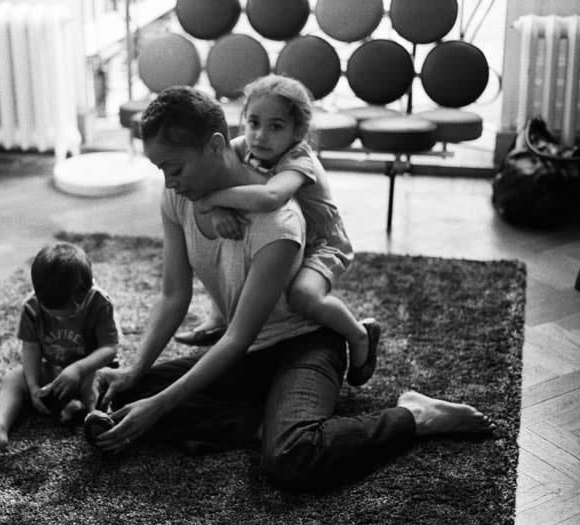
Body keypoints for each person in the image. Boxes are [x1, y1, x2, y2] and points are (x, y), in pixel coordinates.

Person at [87, 86, 495, 490]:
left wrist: (159, 407)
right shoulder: (179, 196)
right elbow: (173, 295)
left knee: (290, 458)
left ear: (215, 146)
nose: (169, 181)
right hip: (248, 353)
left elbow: (236, 338)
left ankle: (413, 416)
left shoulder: (278, 222)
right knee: (121, 397)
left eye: (175, 168)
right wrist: (135, 370)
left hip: (305, 343)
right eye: (162, 169)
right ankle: (264, 422)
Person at [173, 74, 378, 387]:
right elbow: (215, 172)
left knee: (302, 296)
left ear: (298, 131)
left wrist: (210, 199)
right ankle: (220, 319)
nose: (260, 135)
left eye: (276, 127)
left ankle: (359, 333)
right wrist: (215, 210)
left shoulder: (300, 159)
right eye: (254, 123)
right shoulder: (243, 146)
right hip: (285, 238)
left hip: (321, 244)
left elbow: (272, 197)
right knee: (230, 254)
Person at [0, 242, 119, 449]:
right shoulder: (32, 308)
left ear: (85, 295)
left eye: (68, 315)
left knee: (97, 385)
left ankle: (92, 416)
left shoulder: (100, 303)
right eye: (53, 314)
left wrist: (79, 369)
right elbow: (31, 349)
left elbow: (109, 348)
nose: (61, 320)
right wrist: (33, 386)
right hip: (55, 371)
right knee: (14, 377)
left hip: (92, 369)